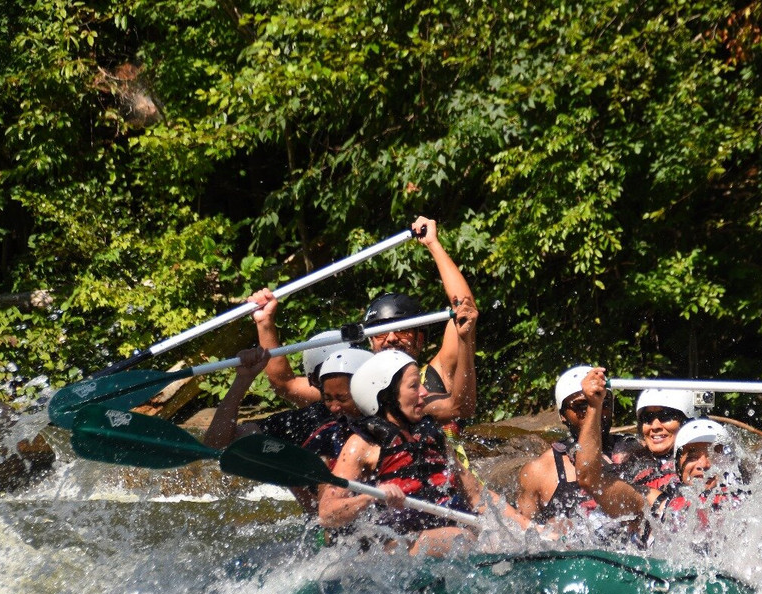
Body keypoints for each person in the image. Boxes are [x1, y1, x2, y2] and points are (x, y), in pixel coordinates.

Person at [247, 216, 479, 423]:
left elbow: (464, 311)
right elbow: (284, 385)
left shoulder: (435, 373)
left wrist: (433, 244)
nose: (391, 338)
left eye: (403, 331)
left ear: (420, 339)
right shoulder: (355, 384)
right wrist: (265, 322)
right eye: (379, 332)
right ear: (369, 341)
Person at [574, 367, 762, 540]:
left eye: (714, 454)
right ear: (678, 468)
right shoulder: (662, 504)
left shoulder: (753, 502)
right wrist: (595, 408)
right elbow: (590, 479)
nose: (703, 464)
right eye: (690, 456)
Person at [318, 350, 528, 556]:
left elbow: (476, 495)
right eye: (413, 386)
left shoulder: (431, 437)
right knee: (459, 539)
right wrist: (370, 497)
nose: (424, 392)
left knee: (494, 540)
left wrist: (531, 530)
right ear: (387, 395)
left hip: (448, 541)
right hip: (390, 548)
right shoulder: (361, 444)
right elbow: (327, 513)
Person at [203, 345, 373, 511]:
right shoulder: (310, 419)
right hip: (325, 526)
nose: (335, 407)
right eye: (328, 396)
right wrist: (243, 380)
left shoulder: (390, 421)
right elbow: (217, 443)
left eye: (342, 397)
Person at [514, 365, 639, 524]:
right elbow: (522, 532)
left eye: (602, 402)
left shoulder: (636, 450)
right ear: (562, 416)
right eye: (581, 406)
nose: (594, 412)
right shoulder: (538, 471)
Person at [618, 388, 699, 490]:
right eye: (648, 417)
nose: (655, 426)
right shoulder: (629, 463)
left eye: (666, 416)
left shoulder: (705, 464)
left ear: (686, 422)